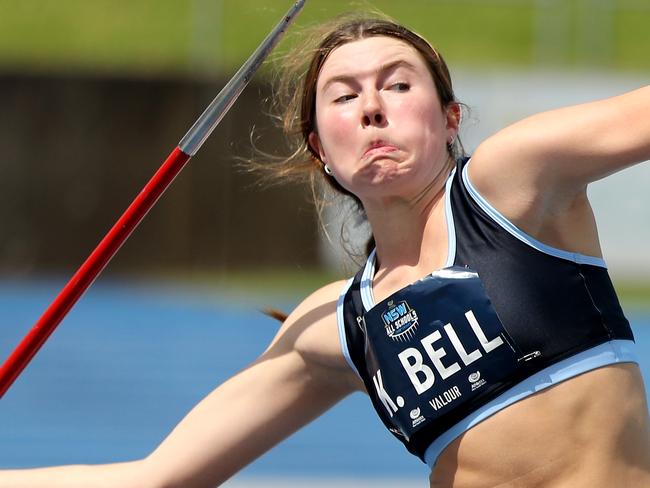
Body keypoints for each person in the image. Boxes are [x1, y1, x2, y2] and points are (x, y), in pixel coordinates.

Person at [2, 12, 650, 488]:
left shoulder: (515, 184)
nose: (372, 107)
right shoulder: (337, 329)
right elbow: (154, 479)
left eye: (398, 85)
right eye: (344, 95)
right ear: (319, 147)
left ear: (449, 118)